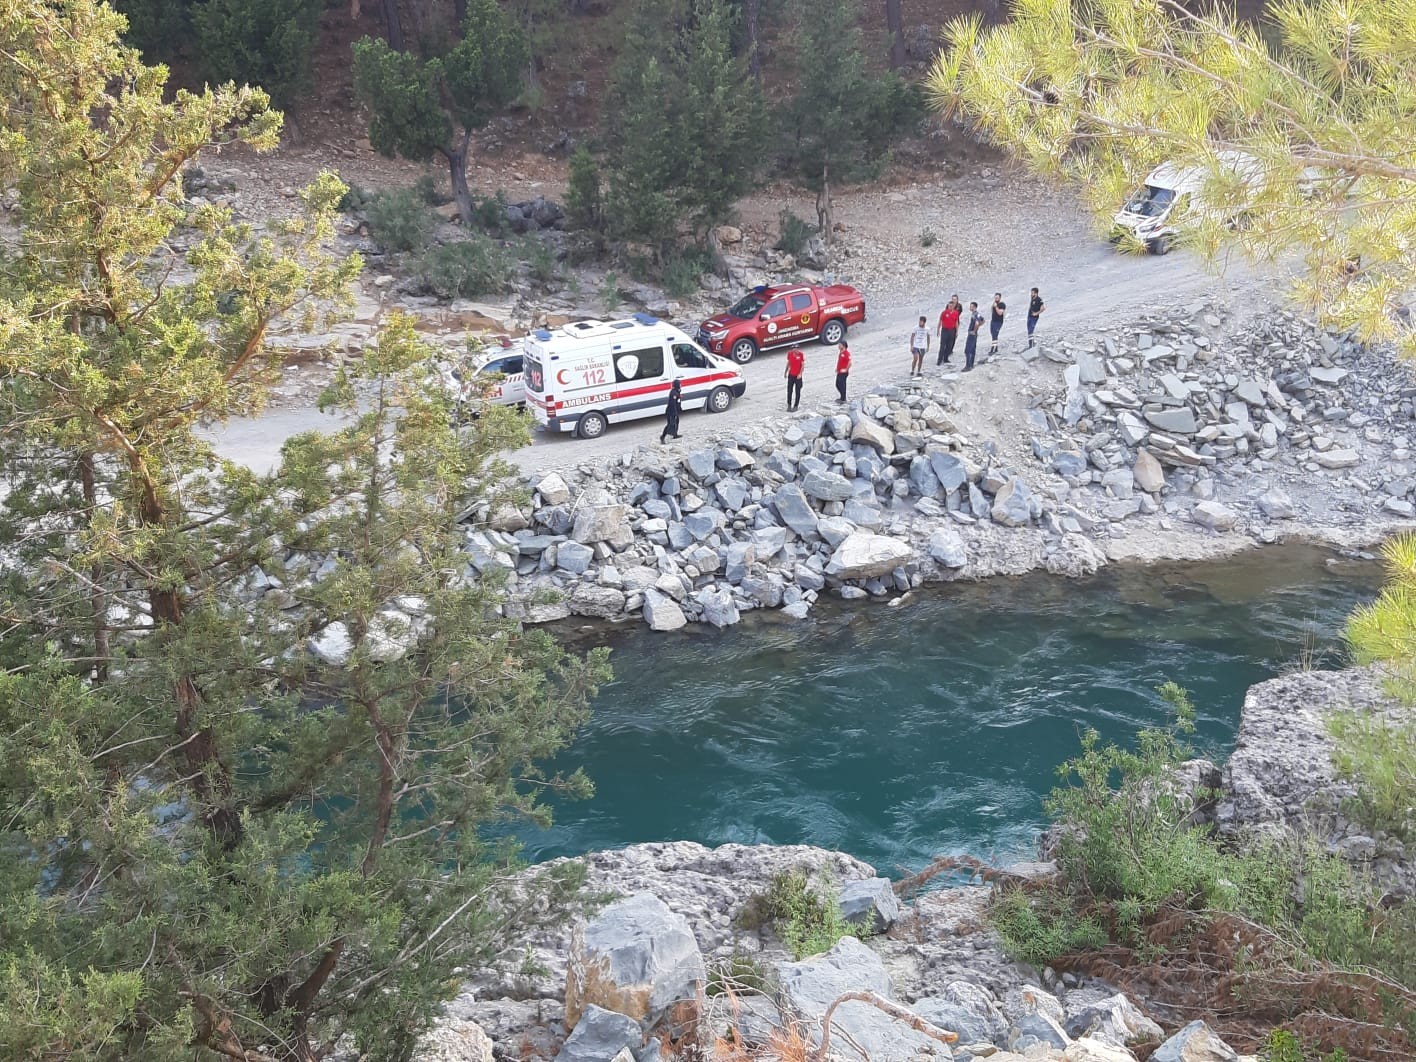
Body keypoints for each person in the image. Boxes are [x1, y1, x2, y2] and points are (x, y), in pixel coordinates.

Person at [937, 297, 961, 366]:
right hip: (945, 330)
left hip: (952, 330)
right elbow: (940, 322)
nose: (950, 307)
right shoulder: (944, 313)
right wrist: (938, 330)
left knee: (949, 345)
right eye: (949, 306)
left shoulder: (956, 313)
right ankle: (939, 360)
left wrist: (956, 331)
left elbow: (956, 322)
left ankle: (946, 358)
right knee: (942, 346)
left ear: (953, 306)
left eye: (951, 306)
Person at [660, 378, 682, 443]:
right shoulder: (673, 393)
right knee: (670, 424)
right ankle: (662, 437)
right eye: (680, 384)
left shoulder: (677, 391)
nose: (681, 385)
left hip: (675, 410)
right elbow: (672, 404)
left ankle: (675, 434)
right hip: (671, 411)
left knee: (676, 422)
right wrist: (674, 412)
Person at [964, 301, 983, 371]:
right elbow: (982, 320)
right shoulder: (977, 314)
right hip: (975, 334)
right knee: (973, 349)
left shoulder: (974, 315)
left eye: (971, 306)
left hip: (972, 334)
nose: (970, 307)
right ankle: (971, 364)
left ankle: (968, 366)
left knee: (967, 350)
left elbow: (977, 323)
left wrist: (974, 331)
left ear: (974, 307)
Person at [785, 346, 805, 411]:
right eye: (794, 349)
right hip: (791, 375)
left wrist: (800, 374)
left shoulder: (801, 354)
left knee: (797, 391)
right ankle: (789, 405)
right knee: (789, 391)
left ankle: (796, 406)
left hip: (798, 376)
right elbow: (788, 363)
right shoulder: (790, 354)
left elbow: (802, 365)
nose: (796, 350)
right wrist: (785, 372)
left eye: (797, 348)